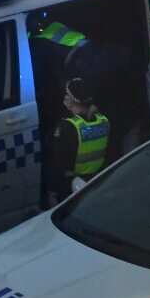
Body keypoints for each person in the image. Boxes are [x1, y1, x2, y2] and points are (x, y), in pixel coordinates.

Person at [44, 77, 110, 207]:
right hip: (97, 181)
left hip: (71, 186)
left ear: (74, 99)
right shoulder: (104, 121)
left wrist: (52, 192)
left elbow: (59, 164)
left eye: (67, 95)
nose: (65, 97)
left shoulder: (68, 127)